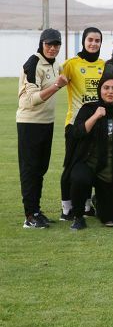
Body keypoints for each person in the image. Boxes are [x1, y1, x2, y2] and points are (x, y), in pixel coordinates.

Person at [62, 75, 113, 229]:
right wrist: (95, 116)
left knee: (111, 220)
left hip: (109, 167)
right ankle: (78, 216)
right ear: (100, 90)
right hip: (88, 162)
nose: (110, 92)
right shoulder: (88, 108)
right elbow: (77, 133)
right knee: (79, 178)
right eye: (106, 88)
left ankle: (98, 201)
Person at [17, 28, 66, 228]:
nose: (52, 48)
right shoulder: (33, 63)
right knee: (30, 170)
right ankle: (30, 216)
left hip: (47, 122)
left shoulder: (55, 65)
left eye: (56, 45)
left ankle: (36, 211)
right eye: (49, 44)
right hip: (30, 122)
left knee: (40, 169)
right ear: (42, 44)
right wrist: (56, 86)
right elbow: (32, 99)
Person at [60, 27, 105, 221]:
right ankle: (66, 209)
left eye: (97, 40)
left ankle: (86, 206)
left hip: (97, 124)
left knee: (89, 165)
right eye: (90, 40)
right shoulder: (71, 64)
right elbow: (56, 76)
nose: (93, 44)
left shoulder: (104, 65)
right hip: (75, 124)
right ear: (84, 41)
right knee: (71, 165)